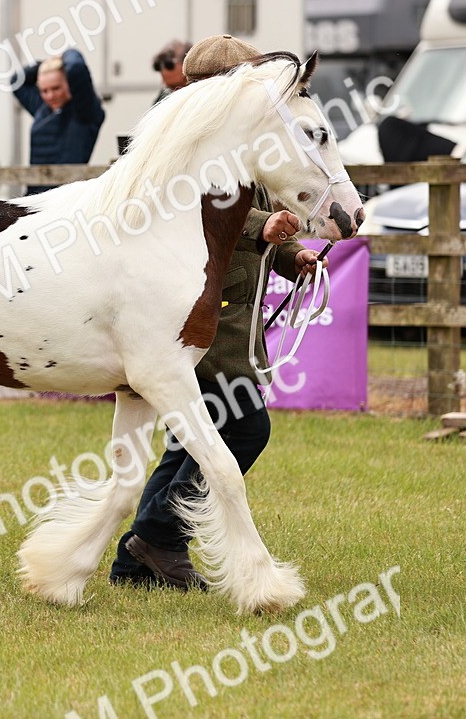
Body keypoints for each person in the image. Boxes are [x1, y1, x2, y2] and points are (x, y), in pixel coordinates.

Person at [109, 34, 324, 591]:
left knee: (192, 434)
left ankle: (137, 562)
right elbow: (193, 211)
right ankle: (157, 535)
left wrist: (290, 255)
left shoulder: (242, 137)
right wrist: (261, 229)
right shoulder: (180, 138)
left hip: (225, 304)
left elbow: (254, 217)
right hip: (196, 310)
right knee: (246, 425)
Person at [10, 48, 105, 194]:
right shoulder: (42, 108)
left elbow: (76, 68)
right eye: (44, 90)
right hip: (34, 196)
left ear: (69, 84)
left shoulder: (84, 111)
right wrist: (45, 65)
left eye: (56, 88)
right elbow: (16, 81)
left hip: (65, 198)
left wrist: (63, 56)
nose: (50, 96)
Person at [152, 38, 190, 104]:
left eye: (178, 87)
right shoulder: (162, 101)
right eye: (170, 88)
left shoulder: (205, 95)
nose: (174, 92)